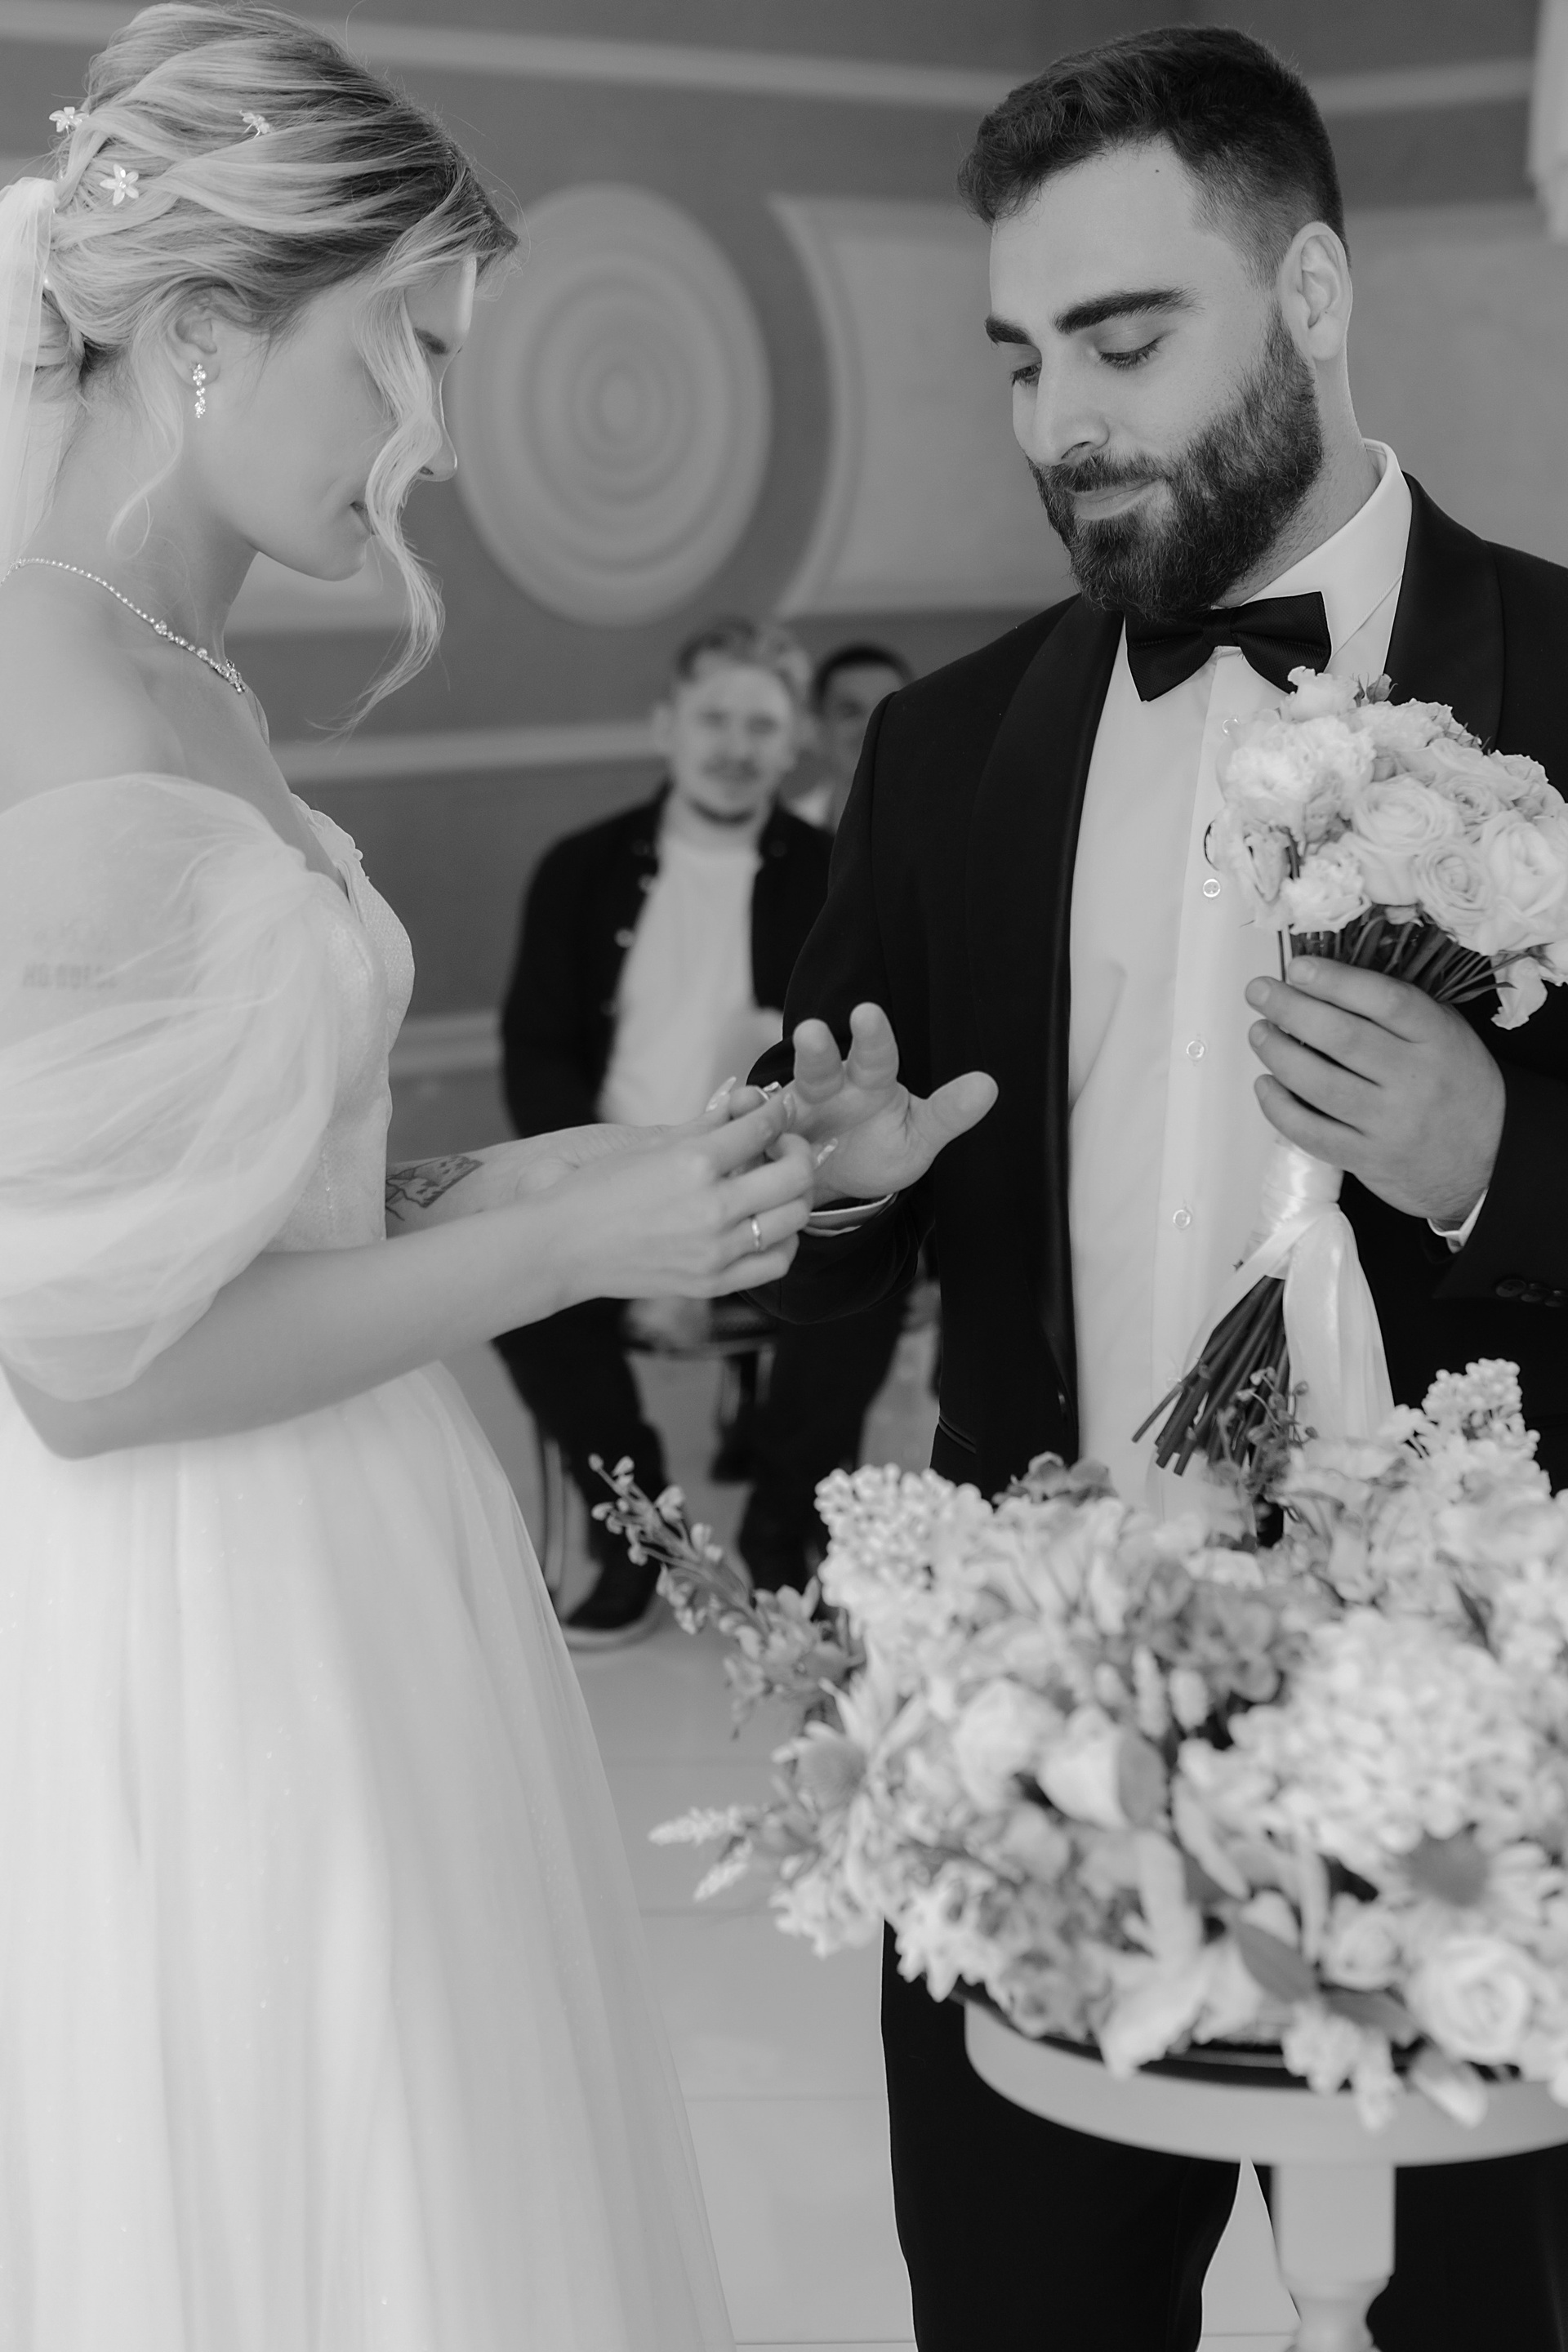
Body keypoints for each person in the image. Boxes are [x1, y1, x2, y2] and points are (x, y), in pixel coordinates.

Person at [0, 8, 817, 2344]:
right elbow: (91, 1369)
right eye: (407, 348)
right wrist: (566, 1245)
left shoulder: (182, 674)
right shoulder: (52, 692)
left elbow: (278, 1218)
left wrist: (652, 1160)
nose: (434, 435)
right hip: (198, 1605)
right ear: (202, 325)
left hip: (342, 1546)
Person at [751, 25, 1568, 2352]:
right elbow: (847, 1206)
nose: (1060, 424)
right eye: (1020, 359)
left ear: (1309, 290)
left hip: (1481, 1789)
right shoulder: (940, 750)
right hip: (1049, 1760)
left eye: (1122, 341)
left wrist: (1501, 1165)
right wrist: (842, 1194)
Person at [496, 618, 898, 1637]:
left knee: (865, 1272)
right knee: (510, 1284)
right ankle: (640, 1534)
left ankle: (785, 1525)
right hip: (604, 1170)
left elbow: (838, 1073)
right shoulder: (579, 870)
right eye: (714, 718)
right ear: (666, 727)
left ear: (794, 739)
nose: (735, 746)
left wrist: (744, 1188)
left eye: (761, 725)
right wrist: (608, 1194)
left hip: (775, 1177)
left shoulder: (836, 878)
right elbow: (536, 1051)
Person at [788, 640, 912, 832]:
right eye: (851, 712)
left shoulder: (952, 828)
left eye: (888, 711)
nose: (871, 728)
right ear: (818, 731)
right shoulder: (783, 834)